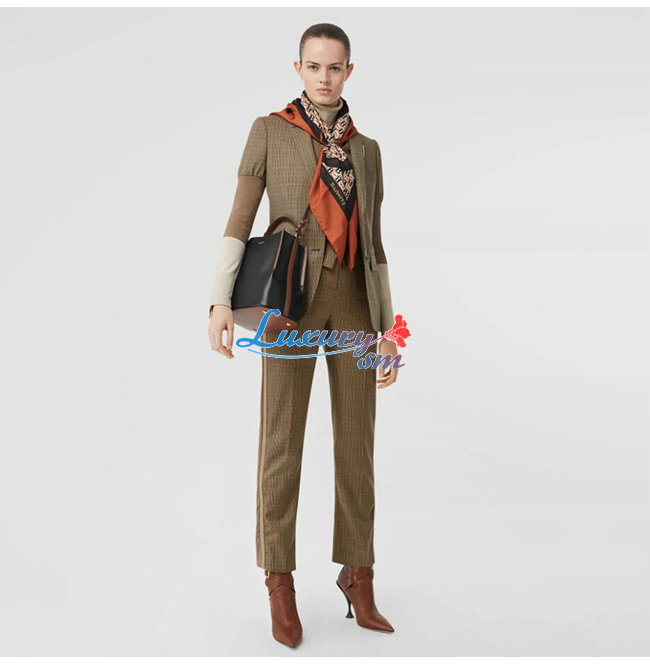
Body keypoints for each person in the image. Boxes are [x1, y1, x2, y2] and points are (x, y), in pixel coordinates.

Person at [207, 23, 399, 648]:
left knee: (357, 445)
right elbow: (240, 220)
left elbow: (374, 245)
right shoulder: (269, 131)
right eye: (314, 66)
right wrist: (219, 300)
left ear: (349, 72)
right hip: (286, 304)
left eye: (334, 67)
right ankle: (279, 581)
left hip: (354, 304)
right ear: (298, 68)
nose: (324, 77)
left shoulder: (367, 150)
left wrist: (387, 329)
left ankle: (358, 574)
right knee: (281, 439)